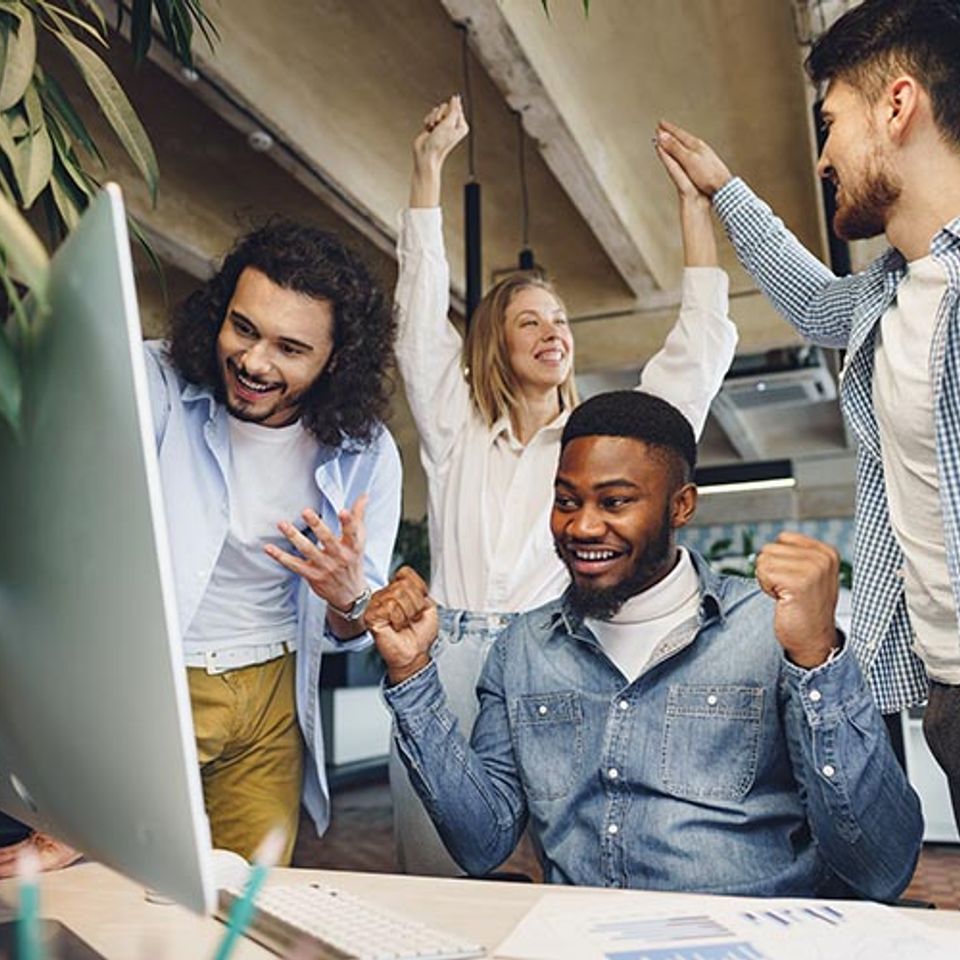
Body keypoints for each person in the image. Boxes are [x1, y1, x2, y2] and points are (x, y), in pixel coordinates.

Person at [368, 390, 923, 898]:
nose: (582, 527)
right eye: (567, 500)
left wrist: (818, 660)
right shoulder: (523, 649)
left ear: (680, 507)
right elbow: (480, 841)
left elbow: (882, 866)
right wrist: (412, 673)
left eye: (614, 503)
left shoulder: (768, 630)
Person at [390, 95, 738, 874]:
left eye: (562, 321)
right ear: (492, 341)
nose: (556, 332)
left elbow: (699, 350)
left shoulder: (600, 444)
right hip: (449, 654)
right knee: (434, 860)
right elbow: (416, 314)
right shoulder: (455, 427)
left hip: (557, 656)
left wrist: (693, 208)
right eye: (531, 321)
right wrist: (427, 167)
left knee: (576, 863)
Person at [655, 0, 960, 831]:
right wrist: (723, 190)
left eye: (830, 124)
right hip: (947, 685)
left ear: (898, 107)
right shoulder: (894, 291)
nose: (822, 155)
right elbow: (818, 303)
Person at [145, 220, 401, 863]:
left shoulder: (366, 451)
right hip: (156, 679)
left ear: (335, 360)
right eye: (244, 328)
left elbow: (353, 624)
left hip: (272, 696)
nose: (254, 362)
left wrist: (350, 596)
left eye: (290, 349)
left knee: (253, 902)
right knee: (114, 887)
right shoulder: (154, 385)